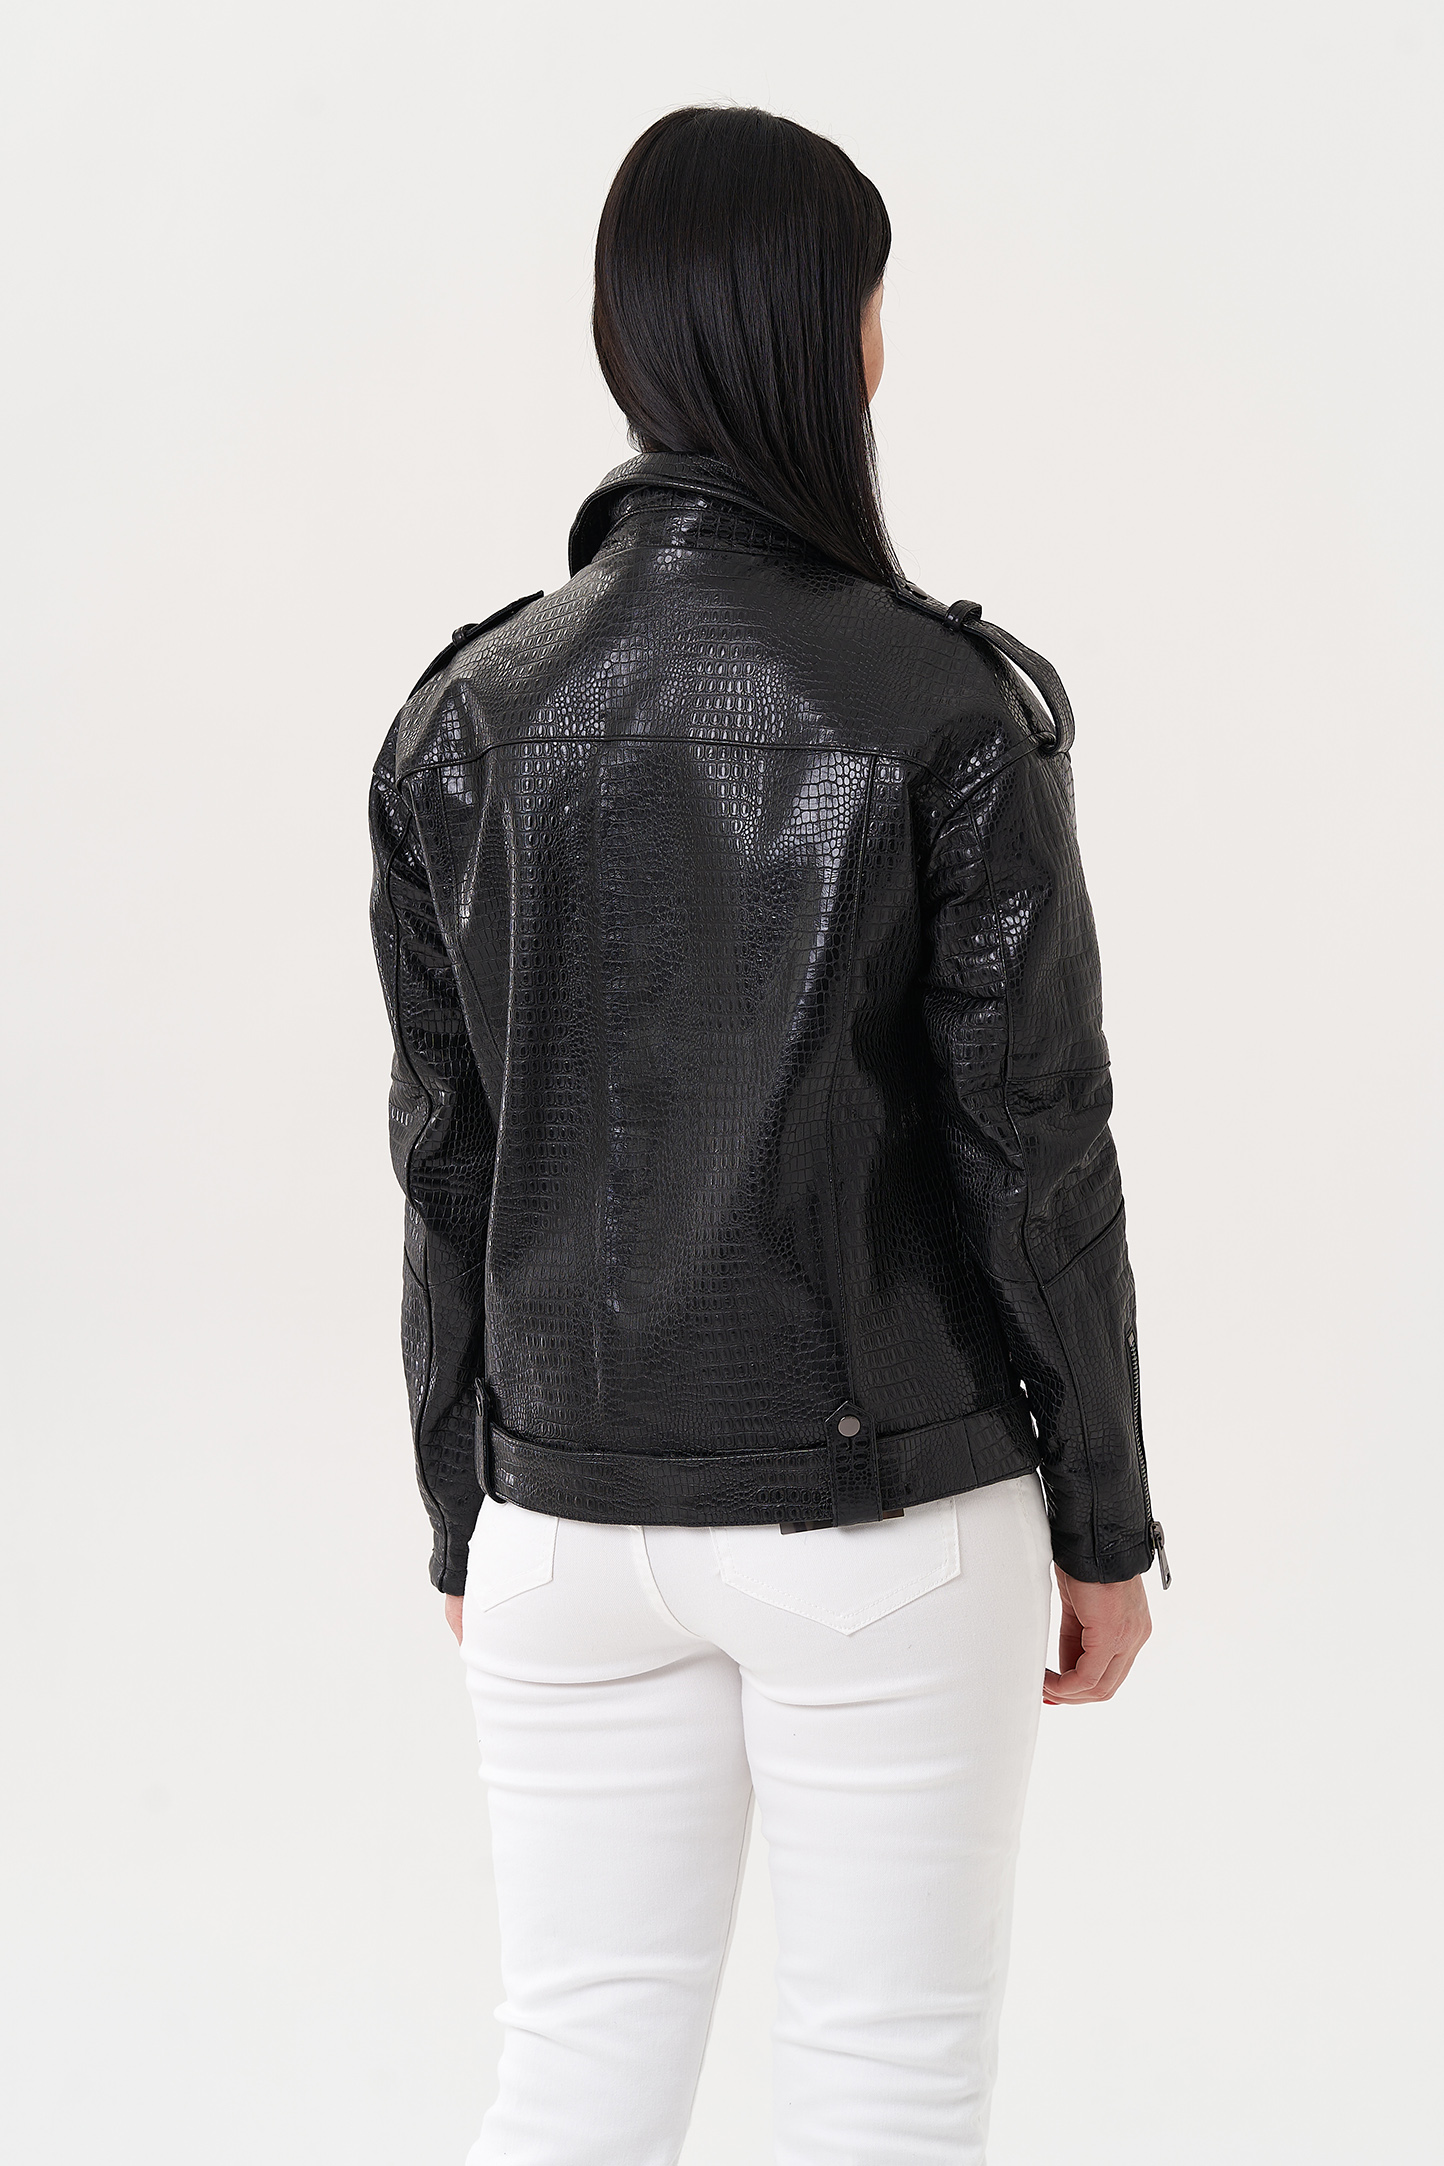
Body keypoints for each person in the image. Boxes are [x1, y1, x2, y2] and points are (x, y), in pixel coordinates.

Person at [369, 103, 1167, 2166]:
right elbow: (1035, 1150)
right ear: (844, 338)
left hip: (560, 1515)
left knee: (571, 2077)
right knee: (887, 2091)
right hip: (882, 1516)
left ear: (629, 340)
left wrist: (470, 1509)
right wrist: (1103, 1522)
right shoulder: (945, 708)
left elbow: (445, 1155)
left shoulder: (463, 716)